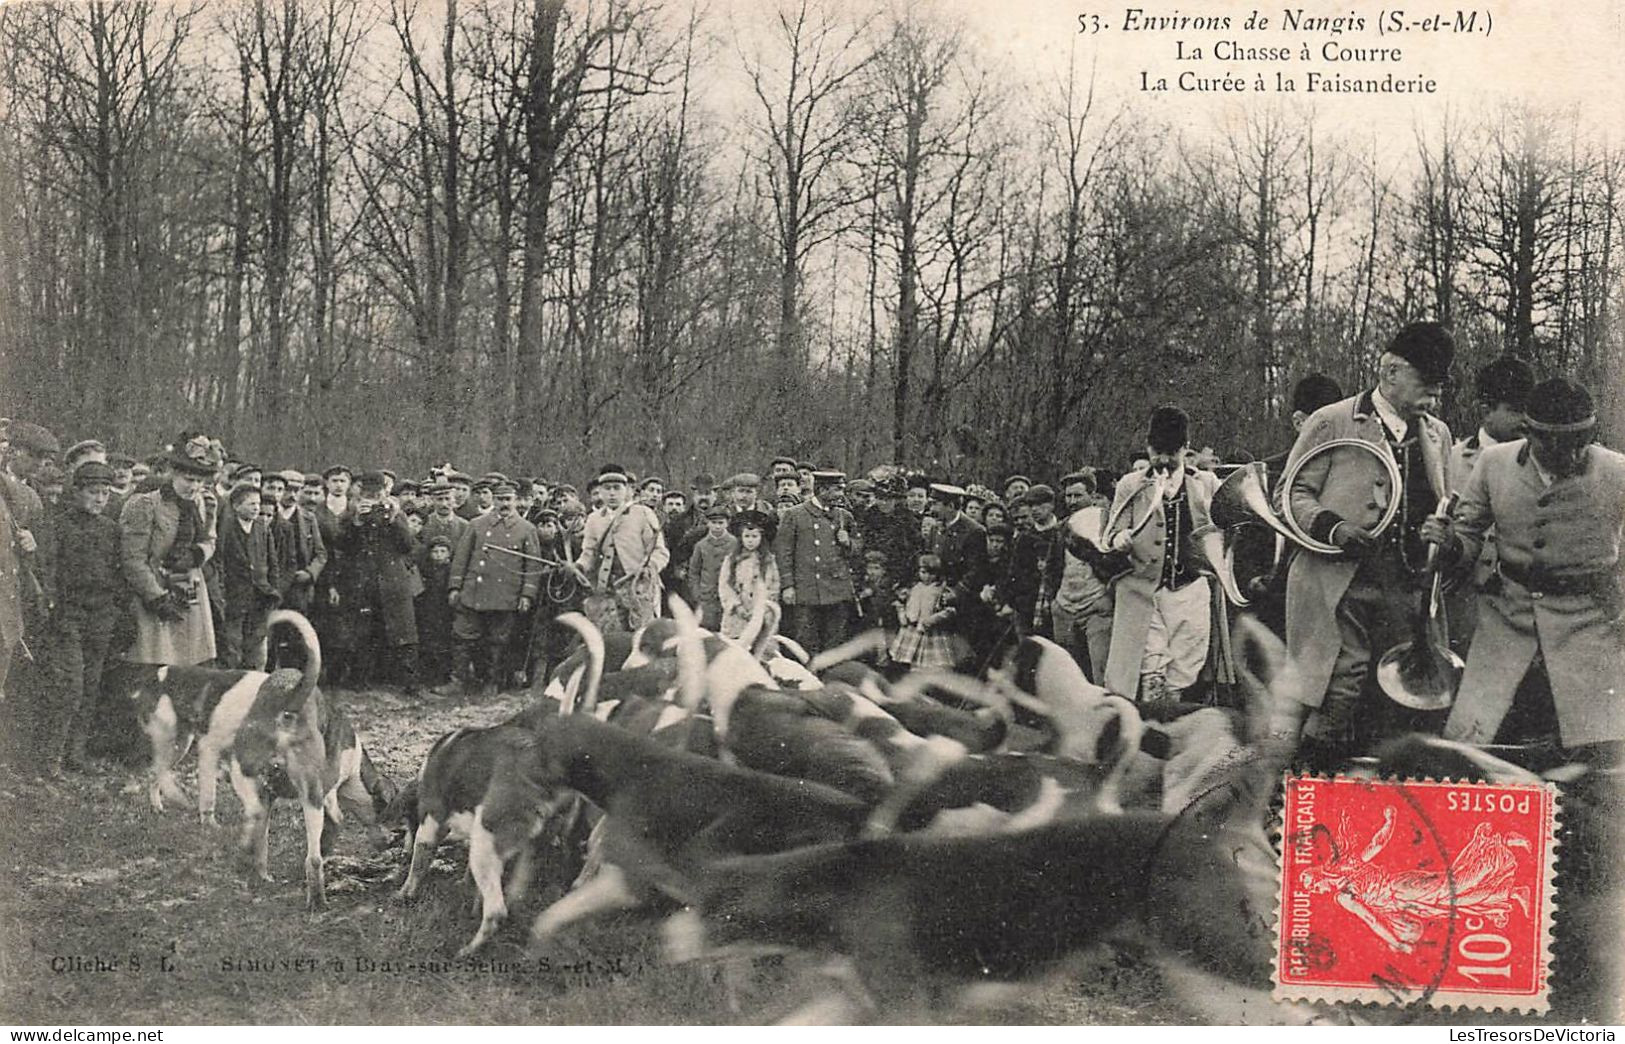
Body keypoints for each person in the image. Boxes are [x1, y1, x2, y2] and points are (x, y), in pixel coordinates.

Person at [1273, 322, 1456, 760]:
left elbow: (1446, 500)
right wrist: (1332, 527)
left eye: (1437, 388)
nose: (1432, 397)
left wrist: (1440, 532)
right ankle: (1309, 781)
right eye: (1423, 384)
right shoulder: (1330, 421)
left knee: (1396, 692)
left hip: (1405, 588)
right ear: (1390, 372)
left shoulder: (1438, 434)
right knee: (1340, 683)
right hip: (1337, 583)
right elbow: (1288, 493)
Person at [1431, 378, 1624, 751]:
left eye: (1578, 442)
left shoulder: (1617, 472)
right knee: (1473, 742)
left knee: (1601, 751)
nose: (1567, 455)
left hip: (1589, 623)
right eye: (1552, 443)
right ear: (1528, 432)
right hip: (1507, 618)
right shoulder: (1493, 463)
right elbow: (1468, 533)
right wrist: (1451, 545)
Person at [1101, 406, 1221, 704]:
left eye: (1172, 452)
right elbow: (1110, 533)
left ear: (1186, 448)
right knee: (1150, 664)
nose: (1164, 460)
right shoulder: (1131, 484)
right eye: (1157, 451)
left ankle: (1168, 726)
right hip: (1143, 588)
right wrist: (1120, 539)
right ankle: (1151, 727)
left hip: (1190, 588)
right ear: (1147, 446)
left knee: (1184, 666)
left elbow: (1227, 530)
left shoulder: (1205, 483)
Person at [1444, 355, 1536, 653]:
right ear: (1486, 410)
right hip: (1463, 604)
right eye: (1515, 410)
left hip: (1520, 609)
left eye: (1529, 411)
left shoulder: (1540, 464)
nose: (1526, 420)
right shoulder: (1449, 460)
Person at [40, 462, 122, 775]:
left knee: (91, 687)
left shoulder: (112, 529)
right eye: (93, 492)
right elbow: (49, 568)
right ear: (77, 493)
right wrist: (54, 607)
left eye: (105, 493)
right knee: (69, 687)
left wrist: (114, 611)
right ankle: (50, 758)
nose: (100, 499)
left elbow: (118, 575)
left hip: (100, 617)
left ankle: (75, 755)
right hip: (68, 614)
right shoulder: (60, 526)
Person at [121, 434, 221, 668]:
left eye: (200, 481)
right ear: (173, 473)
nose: (194, 487)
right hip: (155, 593)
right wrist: (157, 598)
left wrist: (197, 554)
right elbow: (133, 559)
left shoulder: (202, 503)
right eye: (188, 479)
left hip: (190, 589)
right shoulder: (146, 505)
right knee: (157, 663)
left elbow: (211, 539)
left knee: (191, 664)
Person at [441, 481, 540, 697]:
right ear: (493, 501)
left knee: (498, 642)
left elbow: (532, 566)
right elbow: (461, 558)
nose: (504, 504)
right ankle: (458, 681)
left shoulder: (526, 529)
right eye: (500, 499)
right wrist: (455, 586)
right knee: (462, 637)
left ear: (515, 501)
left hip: (505, 596)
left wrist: (527, 595)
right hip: (473, 592)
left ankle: (493, 682)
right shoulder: (476, 524)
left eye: (508, 499)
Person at [330, 471, 422, 694]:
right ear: (361, 492)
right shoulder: (351, 513)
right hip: (363, 581)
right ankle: (359, 680)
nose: (373, 497)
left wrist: (393, 520)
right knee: (362, 632)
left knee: (403, 632)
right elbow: (341, 544)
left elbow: (408, 545)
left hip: (392, 581)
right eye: (369, 493)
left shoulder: (396, 513)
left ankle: (410, 683)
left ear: (385, 491)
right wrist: (357, 522)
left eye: (377, 492)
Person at [573, 466, 670, 633]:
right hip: (607, 591)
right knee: (610, 640)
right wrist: (579, 566)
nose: (611, 493)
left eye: (616, 488)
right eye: (607, 488)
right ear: (600, 491)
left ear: (626, 490)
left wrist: (650, 567)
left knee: (641, 639)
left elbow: (660, 551)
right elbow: (588, 552)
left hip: (639, 589)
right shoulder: (594, 519)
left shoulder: (643, 514)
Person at [774, 470, 857, 655]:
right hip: (807, 590)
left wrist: (849, 542)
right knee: (806, 640)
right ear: (821, 490)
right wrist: (788, 585)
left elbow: (858, 548)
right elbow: (784, 552)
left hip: (836, 589)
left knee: (835, 641)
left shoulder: (844, 516)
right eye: (837, 490)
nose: (841, 495)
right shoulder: (795, 515)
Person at [1051, 471, 1114, 682]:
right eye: (1068, 496)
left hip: (1096, 606)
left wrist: (1108, 598)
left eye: (1078, 495)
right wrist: (1055, 603)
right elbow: (1052, 569)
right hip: (1065, 607)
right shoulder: (1060, 528)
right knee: (1068, 674)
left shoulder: (1107, 521)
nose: (1072, 501)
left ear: (1092, 495)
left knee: (1102, 672)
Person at [216, 482, 281, 670]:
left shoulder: (262, 528)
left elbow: (272, 563)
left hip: (259, 598)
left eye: (258, 503)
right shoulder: (226, 528)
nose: (256, 508)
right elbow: (219, 562)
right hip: (233, 597)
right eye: (251, 504)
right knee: (232, 645)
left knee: (256, 647)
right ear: (236, 506)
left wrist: (273, 590)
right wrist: (222, 593)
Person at [1004, 484, 1065, 639]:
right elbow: (1014, 572)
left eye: (1039, 504)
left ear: (1051, 505)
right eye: (1031, 505)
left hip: (1056, 605)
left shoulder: (1063, 533)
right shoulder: (1024, 538)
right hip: (1027, 608)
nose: (1035, 509)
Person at [718, 509, 782, 641]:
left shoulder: (768, 560)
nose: (750, 541)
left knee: (761, 647)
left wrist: (760, 608)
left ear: (761, 538)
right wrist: (737, 606)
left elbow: (774, 587)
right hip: (737, 615)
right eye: (747, 536)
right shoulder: (731, 560)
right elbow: (724, 586)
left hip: (761, 613)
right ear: (741, 538)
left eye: (754, 536)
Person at [890, 553, 959, 671]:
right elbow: (908, 606)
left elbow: (949, 611)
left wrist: (932, 620)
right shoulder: (915, 588)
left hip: (931, 631)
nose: (927, 577)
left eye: (931, 573)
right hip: (914, 628)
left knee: (934, 662)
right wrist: (902, 613)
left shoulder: (940, 590)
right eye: (923, 572)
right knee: (915, 659)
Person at [687, 506, 738, 630]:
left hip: (728, 596)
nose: (717, 526)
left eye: (721, 523)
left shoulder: (734, 543)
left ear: (727, 523)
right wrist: (697, 593)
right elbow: (694, 572)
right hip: (706, 597)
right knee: (707, 630)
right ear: (707, 523)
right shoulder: (701, 545)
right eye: (713, 523)